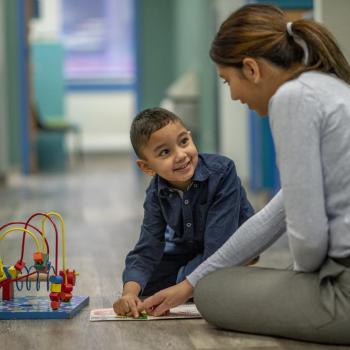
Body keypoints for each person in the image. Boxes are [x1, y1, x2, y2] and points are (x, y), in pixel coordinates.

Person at [140, 4, 350, 345]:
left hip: (342, 293)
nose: (234, 95)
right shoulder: (329, 87)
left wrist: (199, 286)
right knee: (206, 282)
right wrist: (188, 284)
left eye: (228, 81)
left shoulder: (292, 98)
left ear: (251, 69)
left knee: (213, 292)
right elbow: (272, 216)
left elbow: (309, 248)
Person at [113, 107, 255, 317]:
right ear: (146, 167)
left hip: (229, 248)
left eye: (183, 142)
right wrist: (129, 293)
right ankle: (193, 282)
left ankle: (212, 278)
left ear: (190, 137)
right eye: (164, 152)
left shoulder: (222, 172)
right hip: (190, 248)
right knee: (148, 283)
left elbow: (219, 246)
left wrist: (184, 282)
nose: (180, 155)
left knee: (197, 281)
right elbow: (147, 247)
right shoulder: (156, 192)